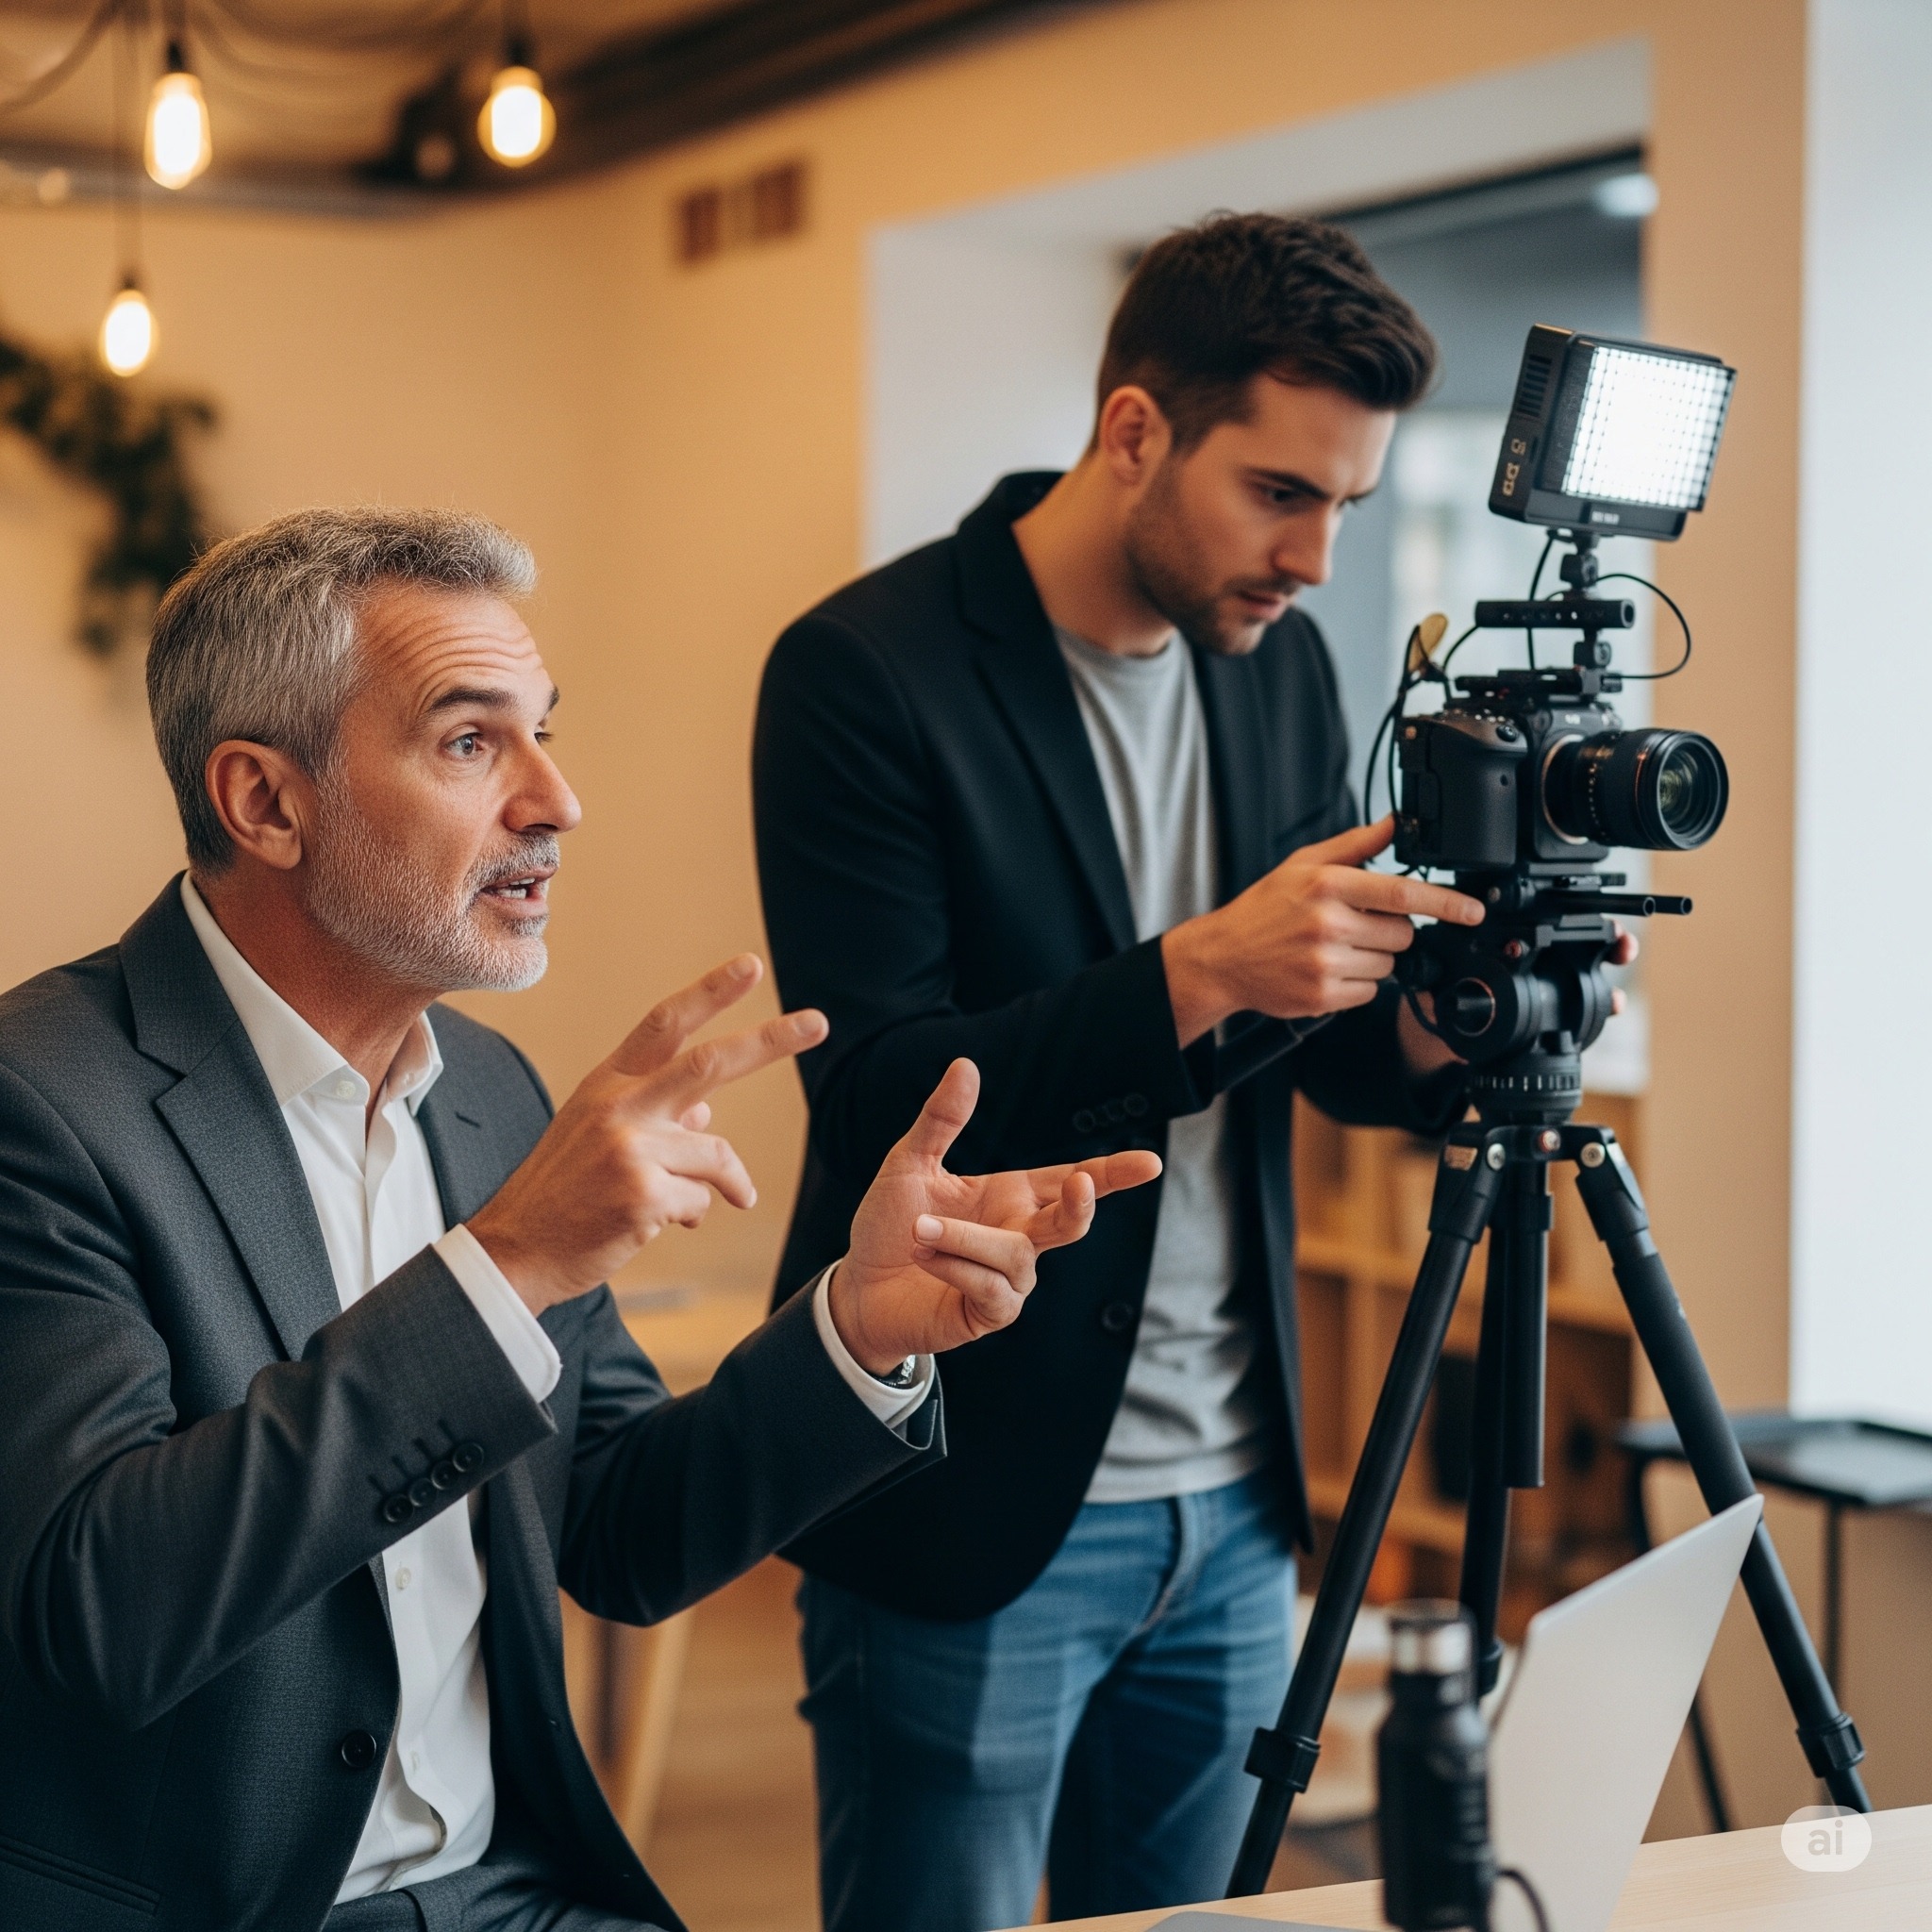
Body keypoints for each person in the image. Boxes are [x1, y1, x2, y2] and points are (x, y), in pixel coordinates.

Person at [0, 508, 1158, 1932]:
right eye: (470, 742)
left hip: (509, 1897)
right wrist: (508, 1265)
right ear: (267, 803)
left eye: (544, 732)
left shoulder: (489, 1093)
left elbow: (614, 1526)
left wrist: (856, 1334)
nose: (556, 799)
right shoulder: (38, 1106)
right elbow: (103, 1615)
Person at [755, 212, 1635, 1930]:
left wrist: (1469, 1012)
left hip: (1236, 1501)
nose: (1313, 556)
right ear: (1135, 431)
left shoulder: (1275, 661)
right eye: (1279, 492)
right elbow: (876, 1107)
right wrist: (1197, 972)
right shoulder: (864, 671)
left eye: (1347, 505)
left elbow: (1314, 1055)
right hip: (970, 1485)